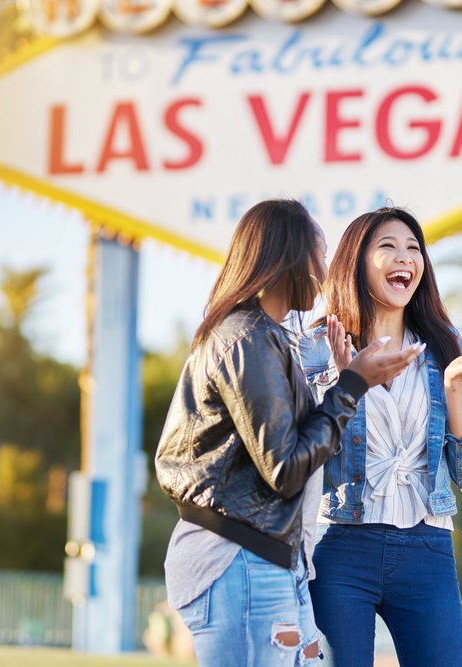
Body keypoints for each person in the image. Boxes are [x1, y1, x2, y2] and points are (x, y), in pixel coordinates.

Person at [155, 199, 421, 667]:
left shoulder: (260, 335)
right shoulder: (248, 339)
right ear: (291, 258)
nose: (324, 270)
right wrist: (352, 385)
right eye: (318, 253)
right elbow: (286, 468)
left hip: (269, 558)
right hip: (238, 559)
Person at [295, 207, 462, 667]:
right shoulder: (315, 347)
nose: (405, 257)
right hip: (340, 544)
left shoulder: (446, 346)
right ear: (356, 262)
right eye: (387, 246)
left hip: (427, 548)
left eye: (413, 248)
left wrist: (452, 388)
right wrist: (345, 385)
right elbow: (301, 456)